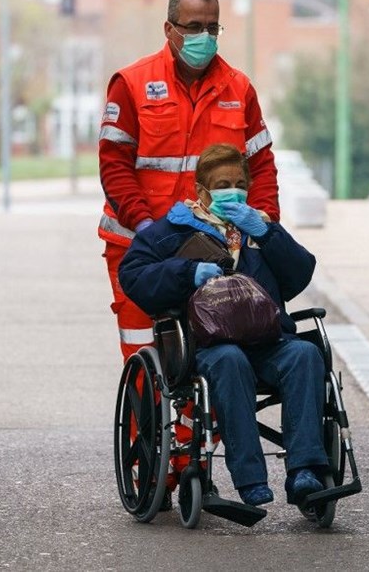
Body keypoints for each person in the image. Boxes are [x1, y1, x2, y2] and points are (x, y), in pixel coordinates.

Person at [118, 143, 327, 508]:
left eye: (239, 183)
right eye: (222, 183)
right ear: (201, 190)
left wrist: (265, 234)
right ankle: (250, 480)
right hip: (209, 346)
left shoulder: (259, 226)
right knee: (231, 361)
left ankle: (305, 472)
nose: (234, 190)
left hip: (268, 340)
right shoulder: (174, 230)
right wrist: (187, 272)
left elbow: (299, 274)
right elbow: (133, 275)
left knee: (305, 354)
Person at [98, 0, 281, 361]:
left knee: (210, 349)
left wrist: (264, 225)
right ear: (169, 29)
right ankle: (145, 421)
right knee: (144, 349)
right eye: (194, 26)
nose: (205, 37)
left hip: (216, 248)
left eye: (213, 28)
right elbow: (114, 165)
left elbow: (261, 166)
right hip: (140, 245)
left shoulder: (239, 88)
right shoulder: (131, 84)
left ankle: (195, 422)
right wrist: (145, 227)